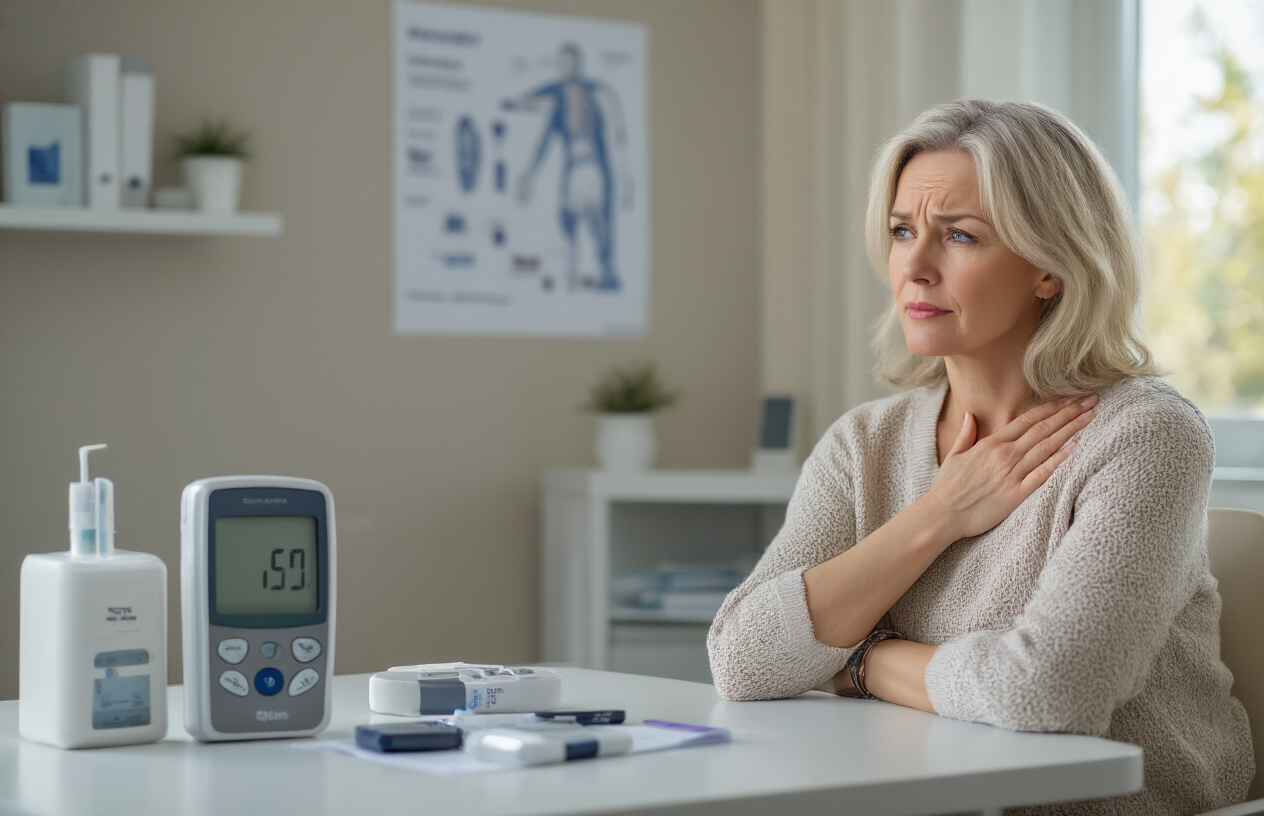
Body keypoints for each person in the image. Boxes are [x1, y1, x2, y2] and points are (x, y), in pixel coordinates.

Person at [707, 99, 1253, 815]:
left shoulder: (1146, 436)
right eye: (903, 231)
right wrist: (941, 511)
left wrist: (863, 659)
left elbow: (1050, 692)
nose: (915, 267)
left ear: (1050, 269)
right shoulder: (863, 443)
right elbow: (742, 660)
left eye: (959, 236)